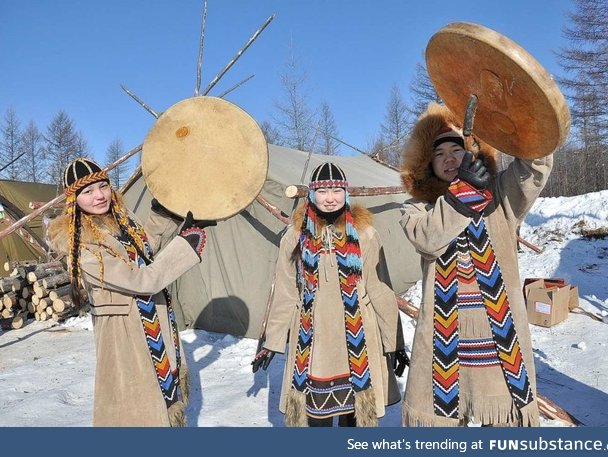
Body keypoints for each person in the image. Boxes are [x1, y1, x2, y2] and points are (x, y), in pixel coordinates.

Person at [398, 103, 553, 427]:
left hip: (500, 344)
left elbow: (533, 170)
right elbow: (428, 239)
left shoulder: (499, 196)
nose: (450, 158)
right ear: (427, 164)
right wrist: (463, 191)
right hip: (445, 343)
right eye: (440, 154)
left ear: (471, 153)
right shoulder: (415, 210)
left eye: (457, 149)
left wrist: (519, 117)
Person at [48, 158, 214, 426]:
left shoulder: (121, 222)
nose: (99, 196)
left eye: (103, 186)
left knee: (161, 403)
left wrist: (165, 213)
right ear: (73, 200)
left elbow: (146, 248)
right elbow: (142, 280)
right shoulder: (80, 246)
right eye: (87, 192)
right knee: (135, 408)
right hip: (124, 337)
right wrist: (187, 244)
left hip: (153, 327)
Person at [251, 162, 409, 427]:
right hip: (312, 342)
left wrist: (395, 342)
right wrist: (272, 341)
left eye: (336, 190)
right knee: (315, 422)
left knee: (355, 420)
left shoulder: (365, 234)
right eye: (323, 191)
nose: (330, 198)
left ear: (345, 193)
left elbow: (380, 288)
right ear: (312, 194)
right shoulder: (295, 236)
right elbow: (286, 291)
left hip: (358, 341)